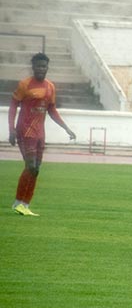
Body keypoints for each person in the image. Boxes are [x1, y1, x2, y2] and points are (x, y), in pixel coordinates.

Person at [8, 52, 76, 216]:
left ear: (47, 68)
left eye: (43, 66)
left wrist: (66, 128)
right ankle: (18, 203)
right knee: (30, 166)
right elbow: (13, 106)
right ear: (33, 67)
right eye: (38, 66)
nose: (41, 69)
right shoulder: (25, 85)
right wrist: (11, 129)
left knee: (36, 169)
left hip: (40, 134)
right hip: (25, 131)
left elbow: (51, 110)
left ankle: (24, 204)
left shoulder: (50, 87)